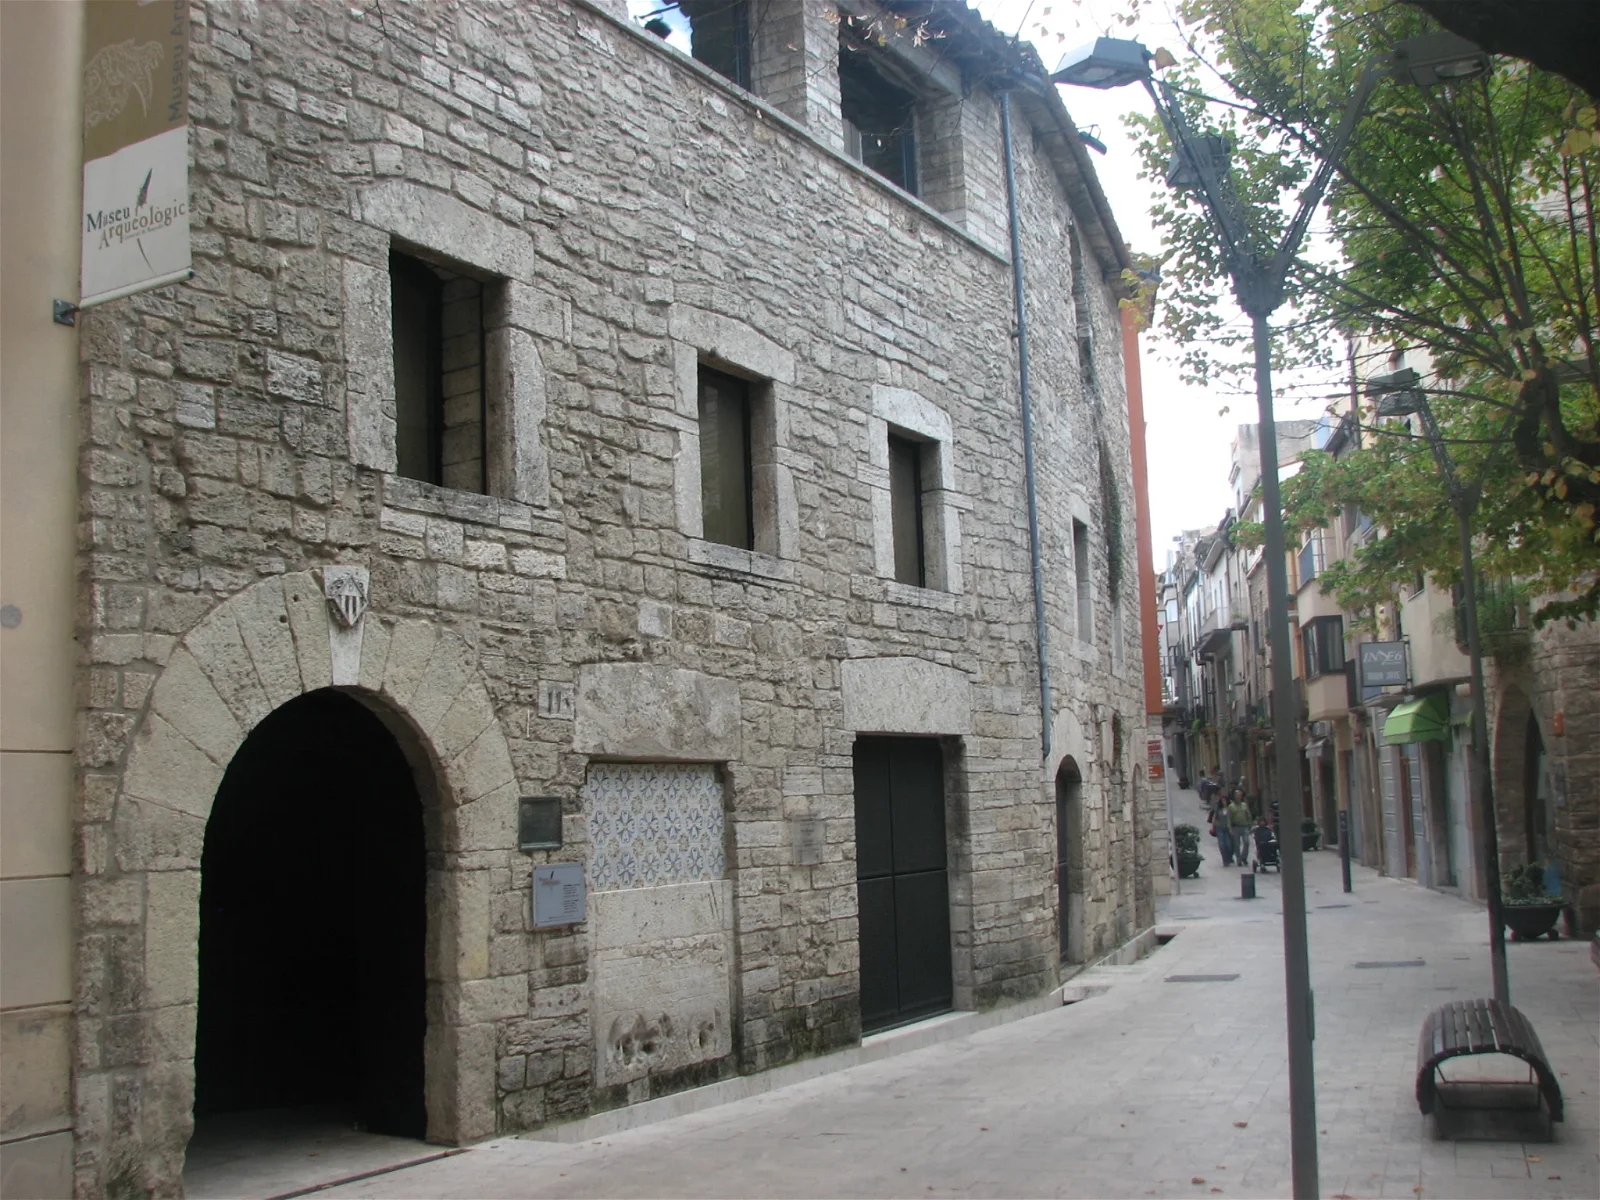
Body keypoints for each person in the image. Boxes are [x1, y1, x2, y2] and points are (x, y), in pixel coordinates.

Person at [1227, 790, 1253, 868]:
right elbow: (1229, 818)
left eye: (1240, 795)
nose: (1238, 797)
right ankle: (1238, 859)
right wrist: (1230, 829)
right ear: (1234, 796)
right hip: (1235, 827)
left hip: (1244, 826)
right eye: (1237, 795)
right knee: (1237, 844)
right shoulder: (1231, 806)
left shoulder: (1244, 805)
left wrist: (1250, 825)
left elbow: (1248, 815)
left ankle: (1243, 857)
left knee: (1246, 842)